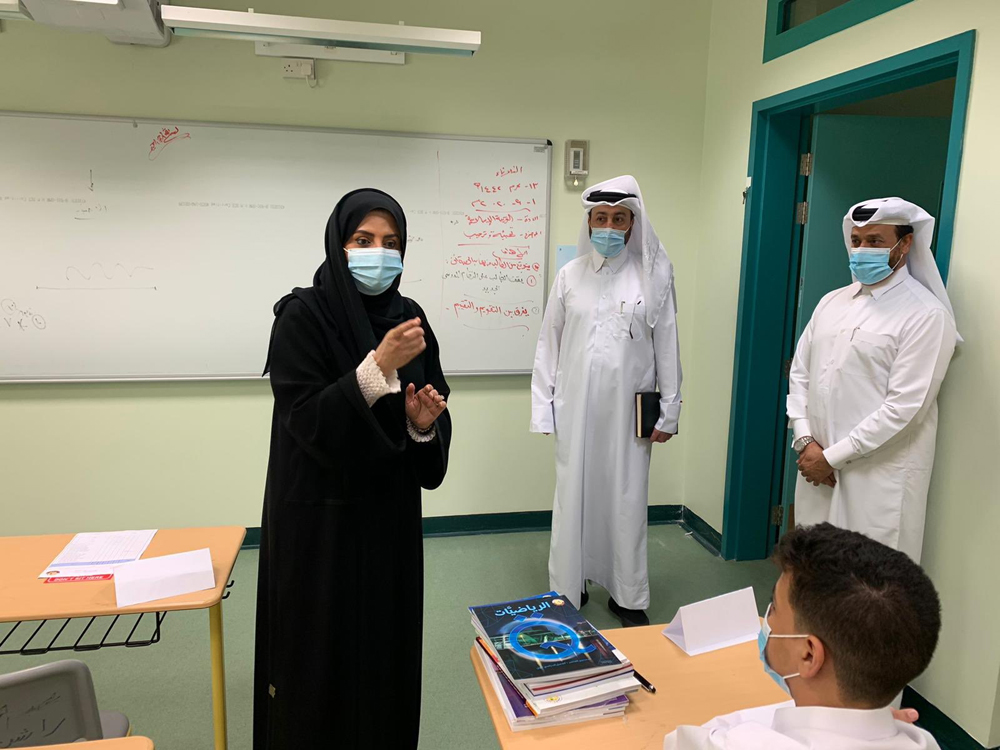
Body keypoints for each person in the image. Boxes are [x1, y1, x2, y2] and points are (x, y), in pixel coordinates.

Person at [253, 189, 452, 750]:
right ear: (338, 245)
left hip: (388, 524)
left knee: (384, 661)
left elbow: (429, 424)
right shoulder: (302, 316)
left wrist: (420, 425)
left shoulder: (410, 320)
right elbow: (305, 420)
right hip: (320, 528)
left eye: (390, 243)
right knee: (317, 666)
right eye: (363, 241)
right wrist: (376, 368)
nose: (377, 254)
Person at [530, 175, 682, 627]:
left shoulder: (653, 278)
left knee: (626, 499)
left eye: (619, 219)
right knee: (572, 496)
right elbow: (548, 344)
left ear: (633, 224)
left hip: (628, 414)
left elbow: (668, 345)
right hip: (574, 408)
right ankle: (568, 587)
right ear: (589, 222)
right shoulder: (569, 276)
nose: (609, 227)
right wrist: (543, 408)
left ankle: (627, 595)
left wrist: (670, 410)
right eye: (601, 218)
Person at [664, 522, 943, 749]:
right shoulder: (920, 740)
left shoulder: (739, 743)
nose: (767, 619)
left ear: (808, 655)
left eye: (774, 606)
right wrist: (865, 724)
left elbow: (680, 742)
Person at [787, 197, 958, 562]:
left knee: (872, 580)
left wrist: (832, 457)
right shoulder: (831, 303)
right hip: (817, 468)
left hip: (878, 479)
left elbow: (905, 407)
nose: (862, 249)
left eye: (875, 241)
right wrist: (805, 441)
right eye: (857, 240)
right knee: (814, 569)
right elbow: (800, 374)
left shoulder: (926, 314)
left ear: (905, 244)